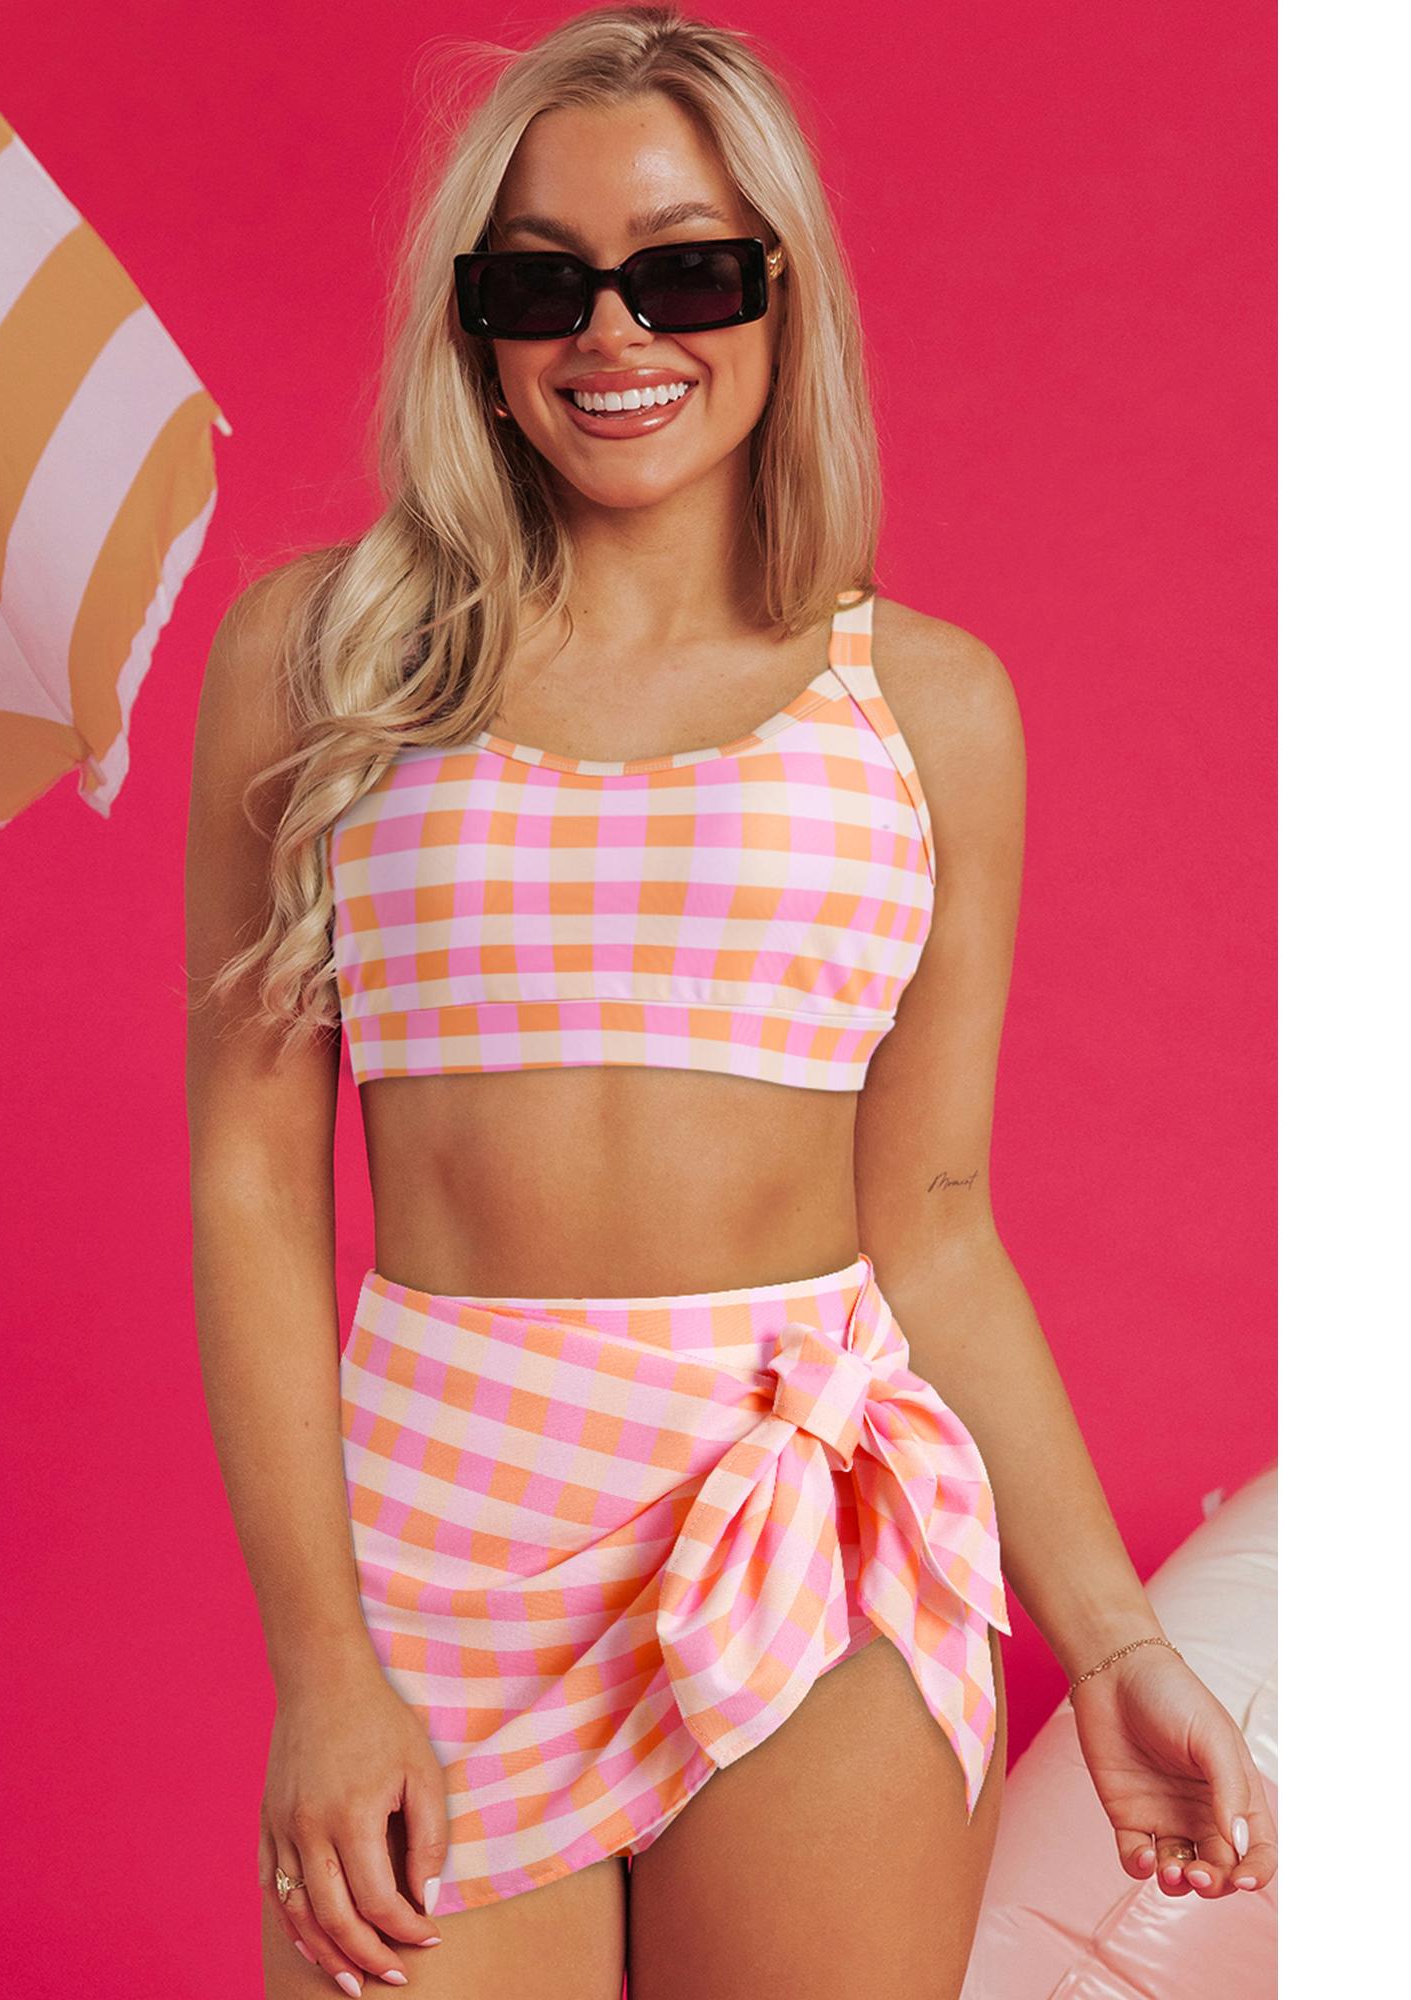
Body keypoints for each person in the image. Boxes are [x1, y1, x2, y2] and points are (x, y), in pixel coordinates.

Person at [184, 9, 1277, 1997]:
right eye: (541, 283)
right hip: (443, 1527)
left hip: (811, 1532)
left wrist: (1114, 1640)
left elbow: (932, 1218)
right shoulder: (324, 661)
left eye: (684, 270)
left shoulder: (924, 707)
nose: (614, 335)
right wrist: (323, 1663)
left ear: (782, 292)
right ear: (471, 324)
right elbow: (253, 1185)